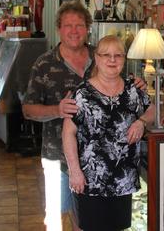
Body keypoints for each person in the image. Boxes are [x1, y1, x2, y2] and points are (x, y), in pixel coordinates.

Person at [23, 2, 145, 230]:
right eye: (68, 25)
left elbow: (122, 88)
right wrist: (56, 110)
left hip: (102, 163)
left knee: (91, 222)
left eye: (79, 25)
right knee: (58, 217)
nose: (74, 30)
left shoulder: (102, 55)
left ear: (88, 28)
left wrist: (137, 84)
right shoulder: (44, 64)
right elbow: (28, 110)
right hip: (58, 158)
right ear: (59, 28)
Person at [63, 35, 155, 231]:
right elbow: (67, 133)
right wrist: (74, 171)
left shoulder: (134, 89)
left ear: (124, 59)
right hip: (91, 179)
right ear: (96, 58)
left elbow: (154, 109)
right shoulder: (82, 94)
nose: (112, 60)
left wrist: (141, 122)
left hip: (123, 178)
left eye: (118, 55)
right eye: (106, 55)